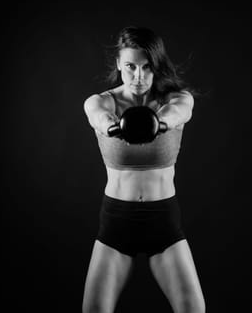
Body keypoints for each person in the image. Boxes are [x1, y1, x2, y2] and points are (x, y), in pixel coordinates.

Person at [82, 26, 205, 313]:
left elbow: (180, 113)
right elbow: (97, 116)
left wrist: (158, 123)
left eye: (147, 67)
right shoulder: (101, 102)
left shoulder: (176, 99)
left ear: (156, 66)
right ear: (118, 65)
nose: (138, 76)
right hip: (117, 221)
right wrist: (112, 126)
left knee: (193, 309)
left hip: (162, 220)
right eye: (131, 67)